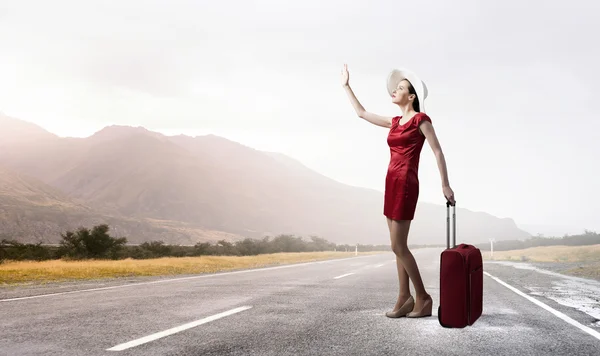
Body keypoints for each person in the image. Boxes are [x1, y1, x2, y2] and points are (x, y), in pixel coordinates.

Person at [341, 64, 455, 318]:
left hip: (405, 183)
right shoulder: (394, 121)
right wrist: (347, 86)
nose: (394, 90)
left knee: (398, 245)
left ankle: (423, 297)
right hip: (391, 182)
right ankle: (404, 297)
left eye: (400, 88)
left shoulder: (420, 120)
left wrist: (445, 184)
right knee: (396, 246)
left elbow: (438, 151)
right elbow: (361, 113)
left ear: (412, 96)